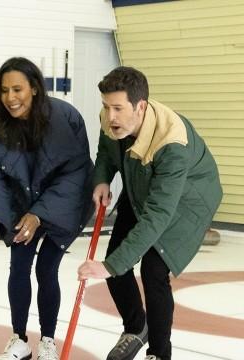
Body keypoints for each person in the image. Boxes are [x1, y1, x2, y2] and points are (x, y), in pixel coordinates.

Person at [77, 66, 222, 360]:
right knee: (116, 260)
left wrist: (110, 266)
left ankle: (159, 353)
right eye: (106, 107)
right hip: (140, 182)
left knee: (153, 270)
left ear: (140, 106)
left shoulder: (173, 144)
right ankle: (136, 328)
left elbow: (159, 213)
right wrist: (102, 178)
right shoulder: (113, 119)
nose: (111, 116)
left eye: (118, 108)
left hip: (186, 202)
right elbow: (107, 150)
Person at [0, 57, 93, 360]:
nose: (11, 98)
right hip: (20, 203)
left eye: (18, 89)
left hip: (63, 204)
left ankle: (47, 340)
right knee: (20, 265)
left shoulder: (65, 118)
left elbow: (75, 175)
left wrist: (40, 214)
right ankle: (20, 339)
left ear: (35, 88)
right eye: (4, 91)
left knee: (46, 268)